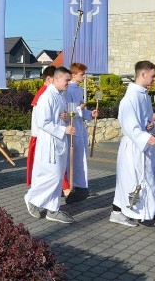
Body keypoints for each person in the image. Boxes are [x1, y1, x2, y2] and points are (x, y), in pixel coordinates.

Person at [110, 61, 155, 234]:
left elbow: (142, 122)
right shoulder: (130, 98)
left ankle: (117, 212)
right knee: (143, 181)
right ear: (143, 74)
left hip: (142, 144)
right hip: (134, 147)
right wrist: (144, 136)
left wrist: (151, 124)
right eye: (153, 75)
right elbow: (128, 124)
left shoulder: (144, 95)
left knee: (134, 181)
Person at [24, 66, 77, 224]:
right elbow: (43, 122)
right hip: (49, 144)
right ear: (56, 79)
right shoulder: (47, 97)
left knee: (58, 176)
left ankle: (53, 209)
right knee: (51, 176)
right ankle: (32, 198)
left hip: (59, 142)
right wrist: (64, 128)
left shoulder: (60, 95)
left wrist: (66, 117)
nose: (68, 83)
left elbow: (59, 117)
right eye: (67, 80)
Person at [64, 62, 98, 203]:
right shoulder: (69, 90)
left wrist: (90, 113)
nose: (84, 77)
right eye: (82, 74)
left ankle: (79, 185)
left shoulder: (77, 89)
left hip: (79, 126)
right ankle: (73, 187)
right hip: (73, 127)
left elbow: (80, 110)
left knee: (80, 158)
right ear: (73, 75)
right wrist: (79, 109)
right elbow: (69, 111)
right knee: (75, 159)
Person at [26, 66, 56, 187]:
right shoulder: (44, 95)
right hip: (41, 135)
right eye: (56, 78)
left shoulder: (49, 92)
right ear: (49, 79)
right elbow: (42, 120)